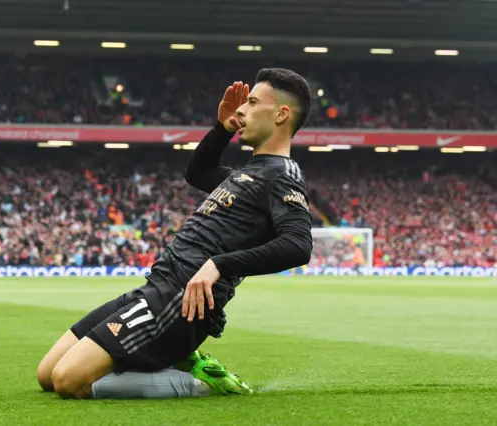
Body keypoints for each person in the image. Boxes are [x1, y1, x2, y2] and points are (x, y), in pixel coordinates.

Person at [36, 68, 314, 399]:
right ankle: (174, 361)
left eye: (252, 103)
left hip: (180, 301)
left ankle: (203, 384)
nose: (242, 110)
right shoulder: (249, 173)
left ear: (282, 114)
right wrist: (221, 130)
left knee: (70, 381)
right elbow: (199, 173)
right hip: (156, 289)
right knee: (47, 375)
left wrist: (219, 265)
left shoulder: (282, 175)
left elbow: (298, 245)